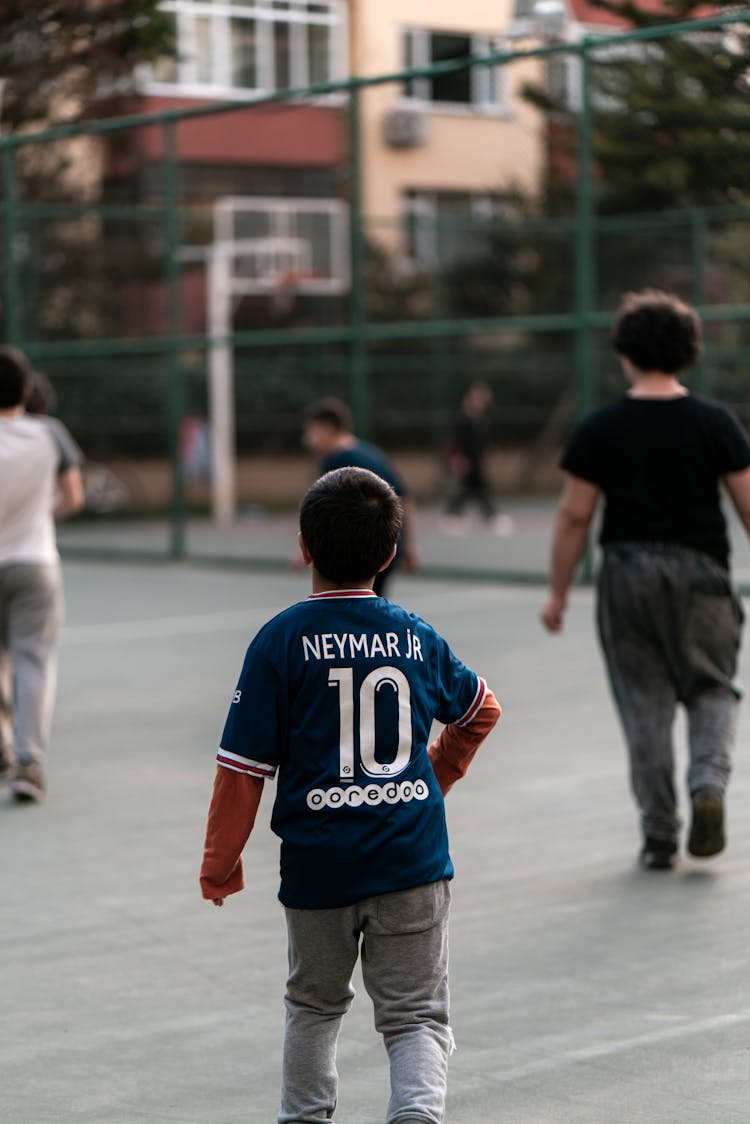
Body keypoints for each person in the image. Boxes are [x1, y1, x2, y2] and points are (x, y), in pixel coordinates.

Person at [200, 465, 501, 1124]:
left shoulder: (279, 641)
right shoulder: (414, 634)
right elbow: (481, 709)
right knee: (416, 1015)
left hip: (318, 866)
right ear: (390, 554)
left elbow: (241, 769)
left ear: (303, 547)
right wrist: (433, 778)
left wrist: (220, 863)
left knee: (313, 1005)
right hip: (411, 861)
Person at [541, 289, 750, 871]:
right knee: (712, 687)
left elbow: (575, 515)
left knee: (646, 705)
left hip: (627, 573)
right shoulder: (716, 422)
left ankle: (659, 834)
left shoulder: (601, 428)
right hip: (703, 570)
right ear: (690, 352)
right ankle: (708, 782)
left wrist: (559, 591)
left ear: (626, 353)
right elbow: (749, 506)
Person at [0, 347, 84, 801]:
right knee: (32, 660)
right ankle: (28, 764)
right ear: (27, 390)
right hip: (34, 561)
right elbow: (73, 498)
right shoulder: (50, 434)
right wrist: (41, 517)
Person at [299, 397, 418, 596]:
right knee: (369, 606)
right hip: (386, 543)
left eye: (311, 431)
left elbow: (325, 514)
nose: (307, 439)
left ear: (327, 428)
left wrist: (311, 546)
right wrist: (409, 543)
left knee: (347, 604)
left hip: (360, 548)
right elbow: (403, 497)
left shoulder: (340, 461)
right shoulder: (370, 453)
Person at [443, 381, 514, 535]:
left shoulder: (480, 418)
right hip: (467, 461)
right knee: (473, 489)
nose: (483, 400)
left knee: (474, 489)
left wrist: (488, 452)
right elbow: (455, 441)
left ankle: (457, 516)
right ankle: (488, 517)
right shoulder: (462, 418)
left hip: (476, 461)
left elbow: (482, 442)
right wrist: (457, 458)